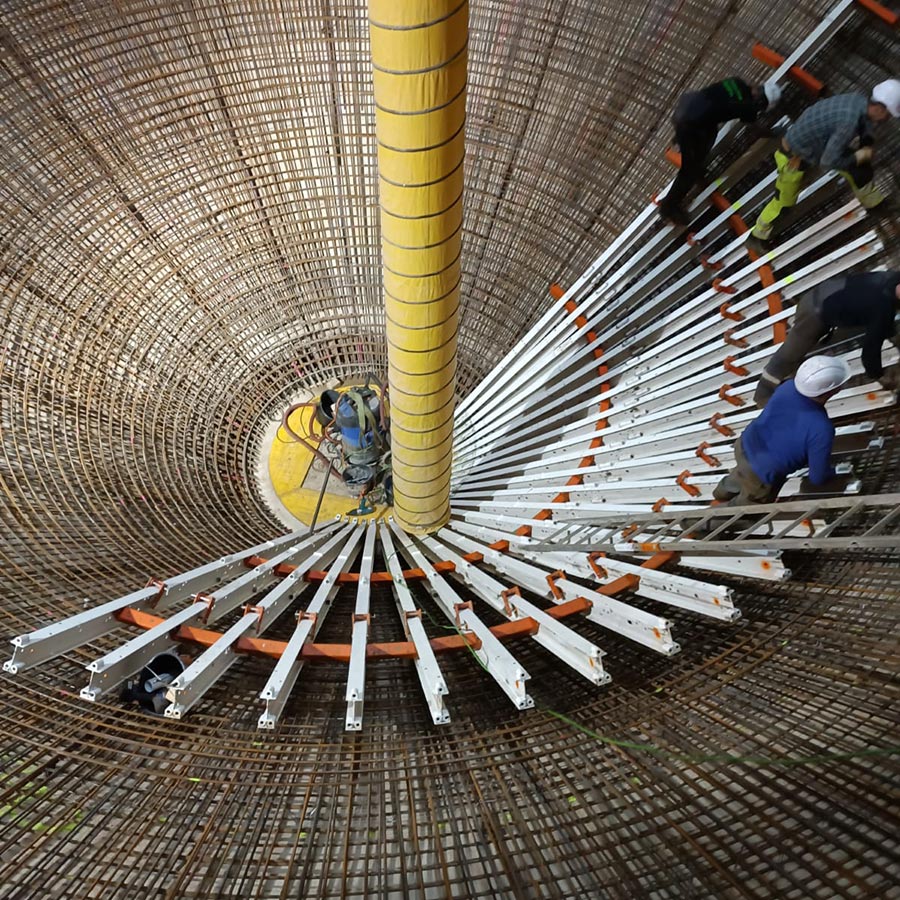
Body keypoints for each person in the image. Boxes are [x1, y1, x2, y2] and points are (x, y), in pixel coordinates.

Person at [748, 79, 900, 250]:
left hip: (814, 146)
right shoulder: (848, 122)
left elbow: (866, 126)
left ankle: (876, 206)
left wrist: (866, 145)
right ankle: (757, 236)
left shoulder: (858, 100)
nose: (887, 120)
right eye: (888, 115)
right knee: (784, 204)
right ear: (880, 108)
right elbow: (828, 162)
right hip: (794, 158)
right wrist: (859, 155)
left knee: (860, 171)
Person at [713, 356, 850, 507]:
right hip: (762, 471)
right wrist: (832, 473)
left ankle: (721, 494)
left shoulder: (788, 386)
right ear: (832, 390)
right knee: (745, 512)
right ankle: (696, 525)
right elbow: (818, 477)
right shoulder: (821, 428)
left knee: (740, 473)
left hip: (746, 445)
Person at [754, 270, 900, 406]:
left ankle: (792, 376)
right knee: (789, 355)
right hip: (814, 313)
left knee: (800, 350)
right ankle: (763, 394)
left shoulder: (888, 277)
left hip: (823, 294)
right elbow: (870, 352)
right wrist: (879, 376)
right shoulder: (883, 307)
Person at [659, 78, 781, 226]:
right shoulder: (749, 106)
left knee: (710, 133)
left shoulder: (737, 82)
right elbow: (756, 129)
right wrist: (774, 133)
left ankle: (687, 147)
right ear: (761, 102)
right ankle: (668, 207)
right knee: (689, 171)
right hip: (689, 125)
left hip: (685, 108)